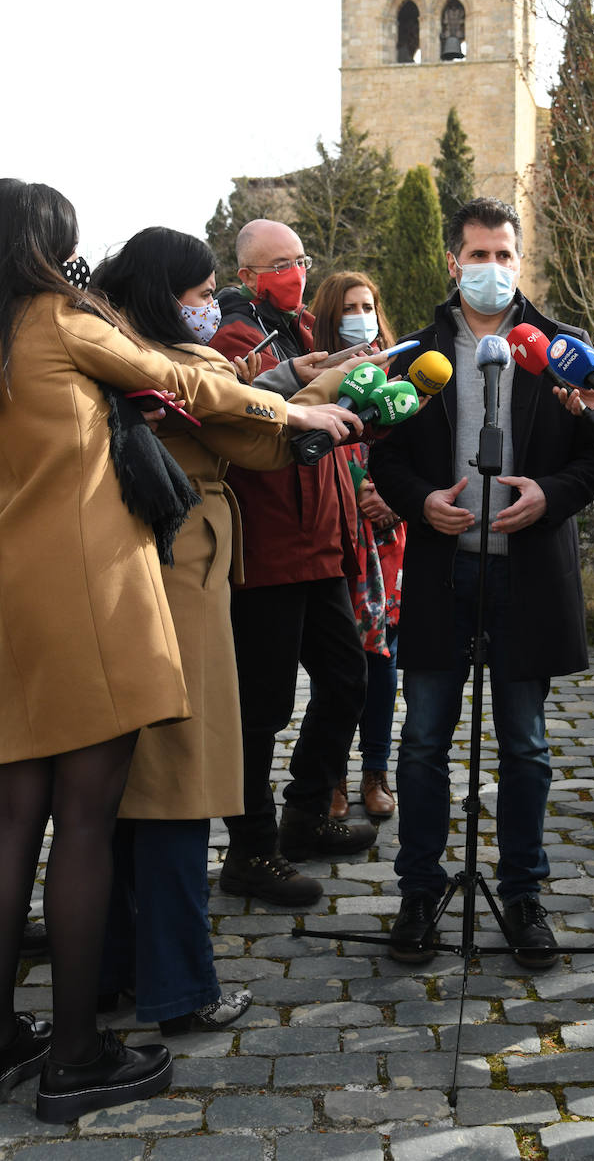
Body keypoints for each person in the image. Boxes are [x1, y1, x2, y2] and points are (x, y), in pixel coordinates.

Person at [0, 179, 329, 1122]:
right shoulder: (58, 318)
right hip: (88, 592)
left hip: (13, 602)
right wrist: (292, 412)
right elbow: (169, 374)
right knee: (92, 821)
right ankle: (74, 1054)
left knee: (18, 822)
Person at [93, 228, 340, 1032]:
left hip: (149, 569)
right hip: (176, 571)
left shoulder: (109, 343)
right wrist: (309, 401)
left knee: (125, 793)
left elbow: (243, 424)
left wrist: (301, 394)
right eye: (198, 294)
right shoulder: (147, 356)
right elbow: (227, 412)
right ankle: (180, 987)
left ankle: (116, 967)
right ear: (164, 294)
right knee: (176, 784)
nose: (208, 308)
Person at [370, 196, 594, 968]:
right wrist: (420, 504)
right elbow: (387, 459)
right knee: (423, 743)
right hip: (445, 572)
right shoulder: (417, 357)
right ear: (453, 263)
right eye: (478, 256)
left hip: (529, 573)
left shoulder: (559, 351)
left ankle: (523, 893)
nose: (493, 270)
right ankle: (417, 892)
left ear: (519, 259)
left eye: (504, 256)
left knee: (527, 747)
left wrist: (551, 495)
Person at [210, 220, 376, 908]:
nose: (295, 272)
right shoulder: (235, 344)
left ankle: (308, 809)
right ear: (246, 275)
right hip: (268, 552)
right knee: (262, 706)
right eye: (279, 263)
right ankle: (251, 849)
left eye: (301, 259)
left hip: (320, 546)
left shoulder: (308, 330)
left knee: (347, 679)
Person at [309, 270, 406, 820]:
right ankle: (333, 776)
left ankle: (376, 770)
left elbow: (418, 450)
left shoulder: (397, 369)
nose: (361, 315)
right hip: (334, 529)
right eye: (349, 306)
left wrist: (392, 495)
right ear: (330, 315)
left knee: (381, 652)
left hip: (387, 533)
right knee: (339, 660)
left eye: (368, 304)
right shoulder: (317, 372)